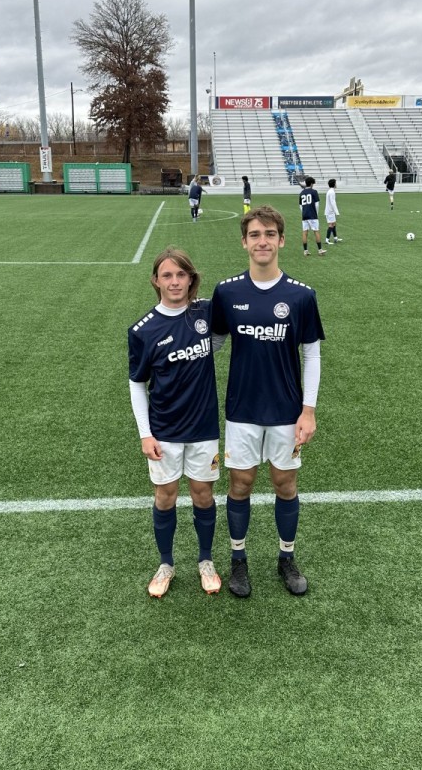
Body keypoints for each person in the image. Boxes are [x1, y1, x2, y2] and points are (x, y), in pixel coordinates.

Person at [210, 205, 326, 598]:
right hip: (242, 409)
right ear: (244, 242)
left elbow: (311, 354)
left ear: (281, 240)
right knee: (240, 484)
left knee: (285, 484)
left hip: (286, 410)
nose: (263, 241)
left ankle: (286, 557)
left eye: (270, 234)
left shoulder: (301, 296)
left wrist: (308, 410)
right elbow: (214, 344)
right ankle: (238, 560)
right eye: (255, 235)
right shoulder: (227, 292)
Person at [128, 247, 222, 598]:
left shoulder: (204, 312)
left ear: (190, 278)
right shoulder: (143, 330)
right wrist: (145, 434)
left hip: (203, 428)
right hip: (164, 430)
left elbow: (219, 338)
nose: (175, 281)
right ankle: (166, 564)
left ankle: (205, 560)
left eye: (181, 274)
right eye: (167, 275)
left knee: (203, 494)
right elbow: (137, 384)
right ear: (156, 281)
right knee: (165, 496)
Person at [298, 175, 325, 256]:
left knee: (305, 232)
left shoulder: (302, 193)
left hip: (304, 215)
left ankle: (305, 250)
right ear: (311, 183)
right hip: (312, 215)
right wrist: (316, 213)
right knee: (316, 231)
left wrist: (304, 212)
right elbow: (317, 204)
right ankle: (320, 250)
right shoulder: (314, 192)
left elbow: (300, 206)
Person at [325, 178, 343, 244]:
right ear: (334, 184)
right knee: (331, 225)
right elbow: (333, 202)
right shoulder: (332, 192)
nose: (336, 184)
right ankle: (327, 239)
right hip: (330, 211)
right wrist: (337, 212)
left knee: (334, 224)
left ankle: (335, 238)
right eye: (335, 183)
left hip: (330, 210)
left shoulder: (330, 191)